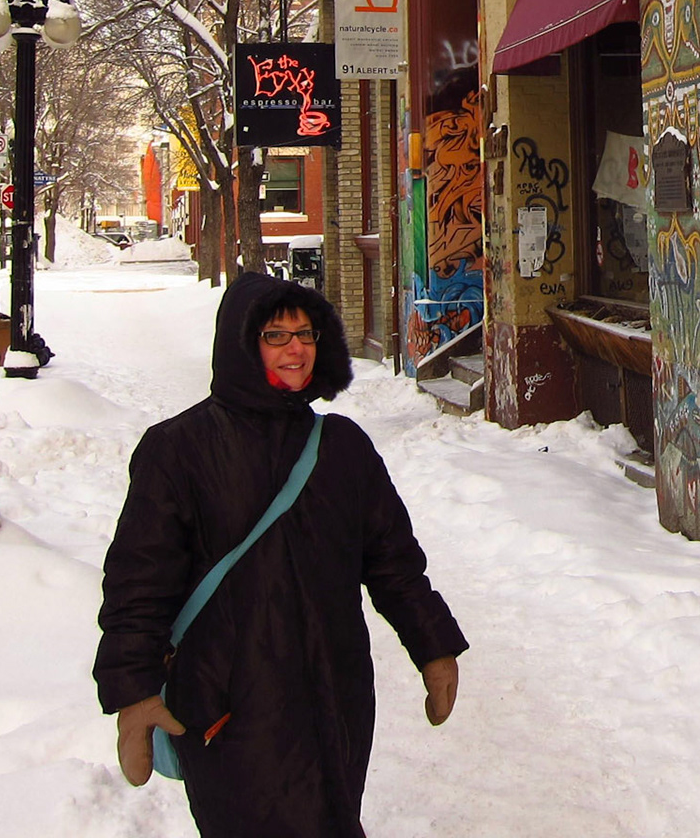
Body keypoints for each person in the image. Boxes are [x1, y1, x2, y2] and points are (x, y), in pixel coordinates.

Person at [96, 272, 466, 837]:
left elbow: (394, 564)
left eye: (307, 333)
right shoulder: (178, 450)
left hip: (336, 692)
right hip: (227, 703)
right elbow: (138, 584)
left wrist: (433, 647)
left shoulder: (343, 448)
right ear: (242, 345)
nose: (296, 348)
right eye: (276, 335)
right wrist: (134, 691)